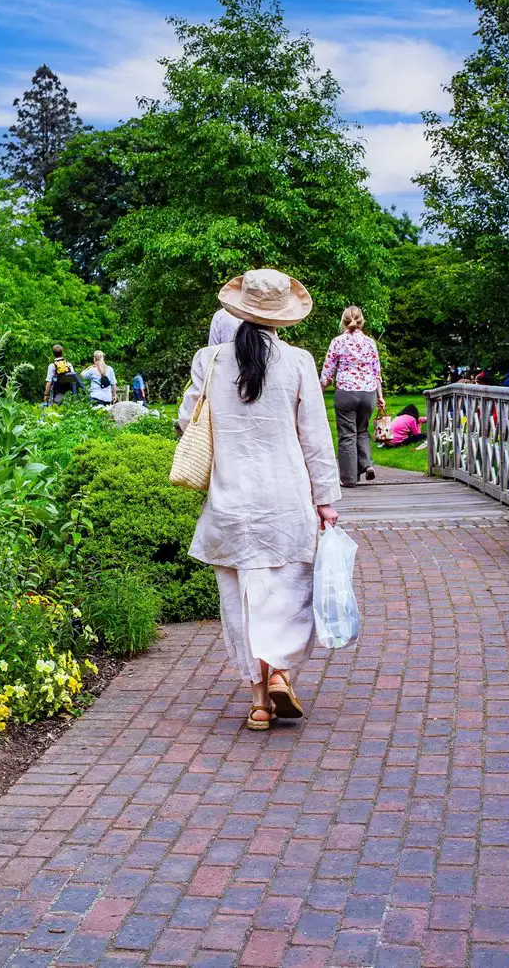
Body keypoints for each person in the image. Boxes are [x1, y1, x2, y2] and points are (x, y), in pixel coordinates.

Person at [178, 269, 340, 732]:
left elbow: (188, 422)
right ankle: (282, 675)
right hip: (287, 501)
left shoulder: (208, 360)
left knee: (239, 603)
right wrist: (326, 498)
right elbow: (315, 437)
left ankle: (258, 703)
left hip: (230, 502)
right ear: (282, 317)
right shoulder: (298, 362)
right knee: (289, 596)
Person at [321, 306, 385, 488]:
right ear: (361, 321)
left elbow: (327, 372)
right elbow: (376, 372)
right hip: (368, 393)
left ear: (344, 321)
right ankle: (367, 465)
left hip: (346, 393)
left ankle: (349, 479)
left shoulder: (337, 342)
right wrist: (380, 396)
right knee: (363, 430)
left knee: (347, 435)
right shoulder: (370, 343)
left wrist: (319, 392)